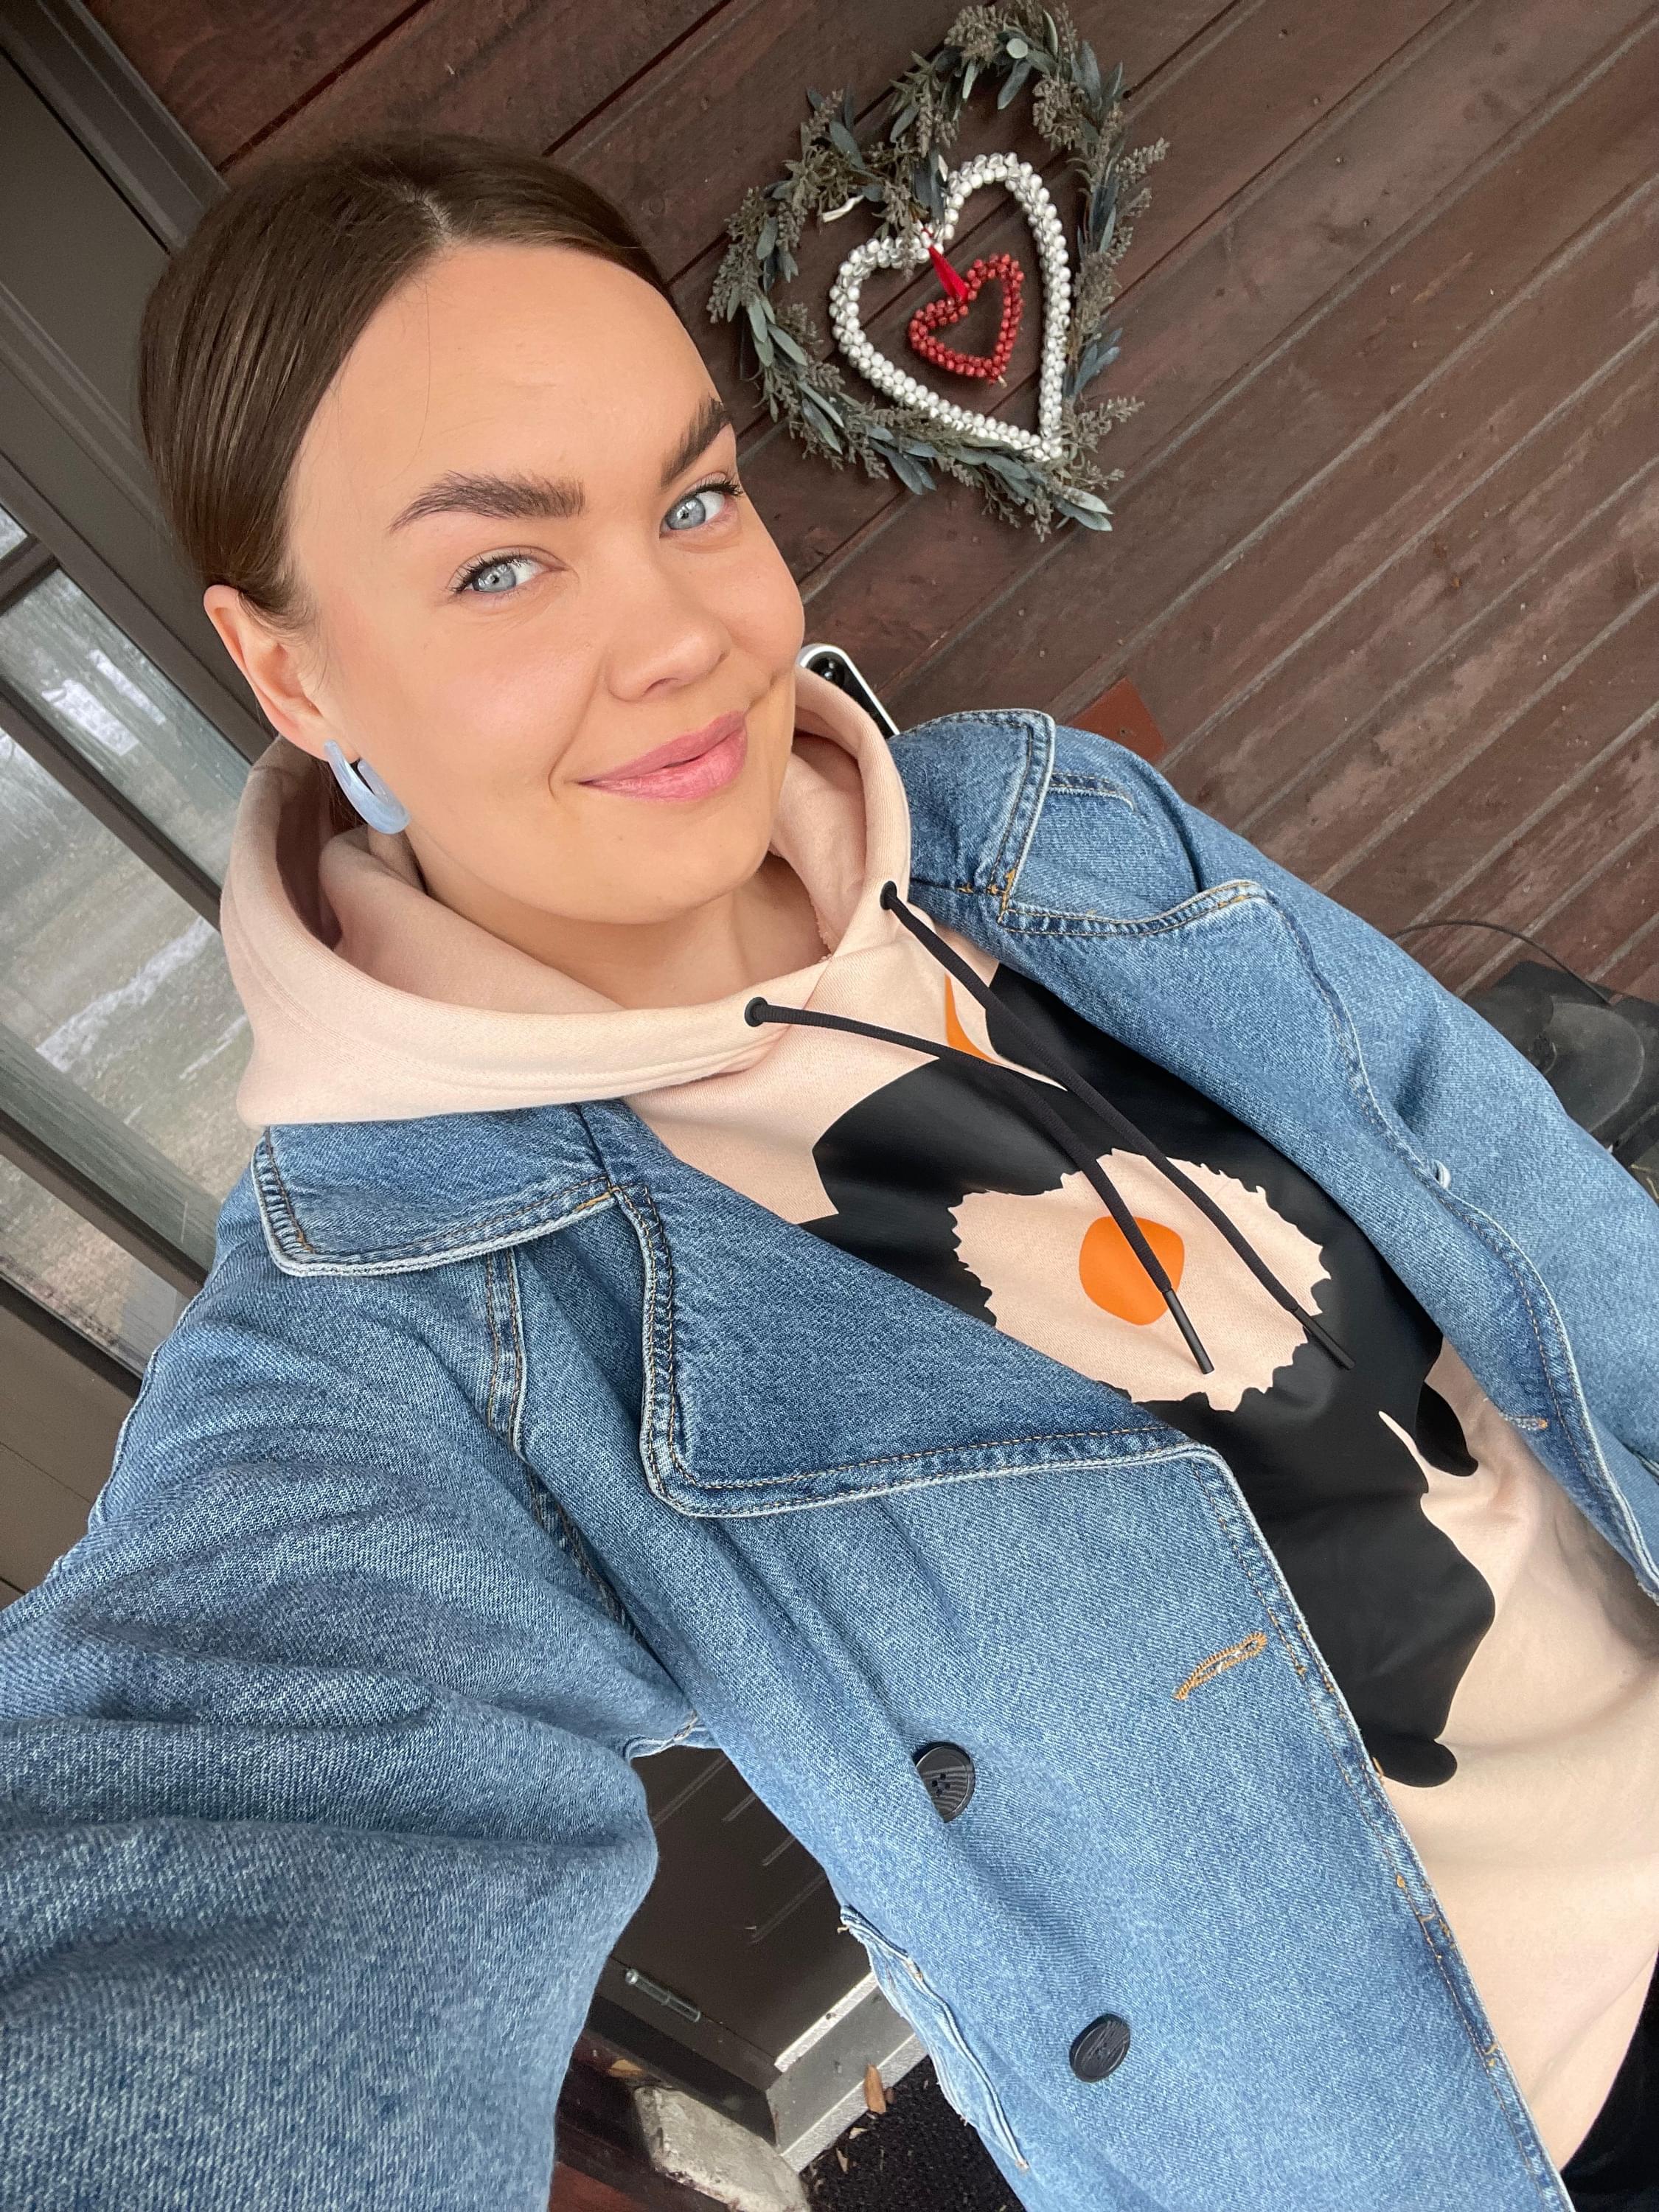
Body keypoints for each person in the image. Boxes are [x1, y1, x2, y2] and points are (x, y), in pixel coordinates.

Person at [1, 134, 1656, 2212]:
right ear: (291, 671)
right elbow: (208, 1841)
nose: (679, 637)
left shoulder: (1042, 824)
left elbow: (1549, 1226)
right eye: (502, 568)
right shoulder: (411, 1334)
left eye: (692, 500)